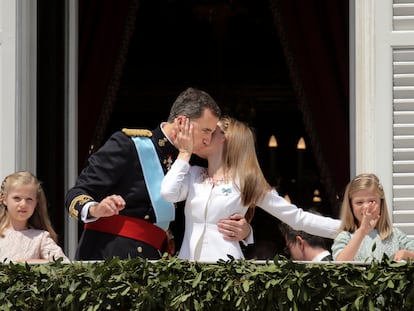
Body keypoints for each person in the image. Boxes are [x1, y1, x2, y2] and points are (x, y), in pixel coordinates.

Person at [65, 87, 251, 260]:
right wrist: (96, 209)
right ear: (180, 122)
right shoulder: (129, 145)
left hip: (156, 261)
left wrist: (245, 231)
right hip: (111, 257)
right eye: (206, 131)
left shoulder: (192, 162)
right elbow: (75, 195)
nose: (208, 139)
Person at [160, 116, 340, 261]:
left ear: (226, 139)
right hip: (189, 270)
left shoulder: (246, 181)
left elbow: (296, 218)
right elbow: (168, 193)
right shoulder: (192, 174)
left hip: (226, 272)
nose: (204, 136)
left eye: (211, 131)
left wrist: (351, 229)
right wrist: (184, 154)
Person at [332, 173, 414, 262]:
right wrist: (362, 231)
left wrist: (406, 254)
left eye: (372, 201)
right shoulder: (345, 237)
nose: (366, 207)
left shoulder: (394, 235)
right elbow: (340, 263)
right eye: (359, 202)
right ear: (351, 206)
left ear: (381, 203)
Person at [0, 171, 69, 263]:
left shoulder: (41, 238)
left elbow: (63, 264)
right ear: (4, 199)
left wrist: (29, 263)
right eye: (17, 198)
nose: (23, 204)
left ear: (36, 203)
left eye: (29, 199)